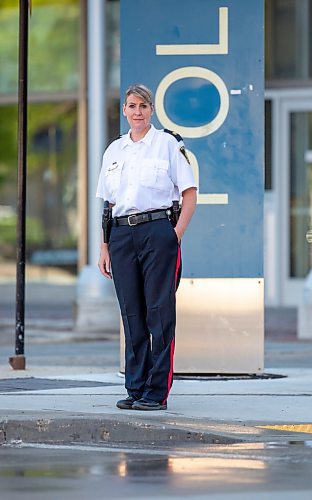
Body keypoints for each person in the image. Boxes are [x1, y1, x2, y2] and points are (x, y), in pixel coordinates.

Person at [96, 84, 197, 411]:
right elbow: (109, 205)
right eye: (131, 106)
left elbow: (190, 193)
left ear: (151, 110)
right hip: (122, 236)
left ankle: (156, 392)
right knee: (132, 315)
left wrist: (174, 235)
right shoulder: (114, 151)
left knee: (159, 312)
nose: (137, 111)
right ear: (123, 111)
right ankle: (135, 387)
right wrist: (104, 246)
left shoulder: (167, 144)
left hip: (157, 232)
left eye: (143, 105)